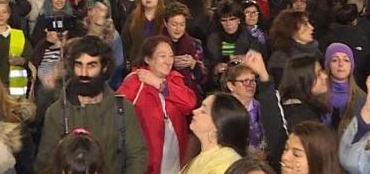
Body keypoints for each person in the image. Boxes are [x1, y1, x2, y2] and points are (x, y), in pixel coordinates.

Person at [35, 35, 149, 174]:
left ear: (105, 68)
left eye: (91, 65)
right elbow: (43, 164)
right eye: (78, 65)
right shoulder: (56, 111)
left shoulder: (123, 109)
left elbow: (137, 157)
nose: (84, 72)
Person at [117, 35, 196, 173]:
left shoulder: (175, 80)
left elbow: (189, 103)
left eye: (171, 56)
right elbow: (117, 112)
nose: (168, 61)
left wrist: (159, 84)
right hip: (147, 161)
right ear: (148, 59)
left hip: (175, 158)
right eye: (162, 56)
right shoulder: (135, 81)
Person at [179, 93, 250, 174]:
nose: (194, 111)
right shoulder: (199, 155)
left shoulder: (225, 162)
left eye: (203, 111)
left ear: (218, 124)